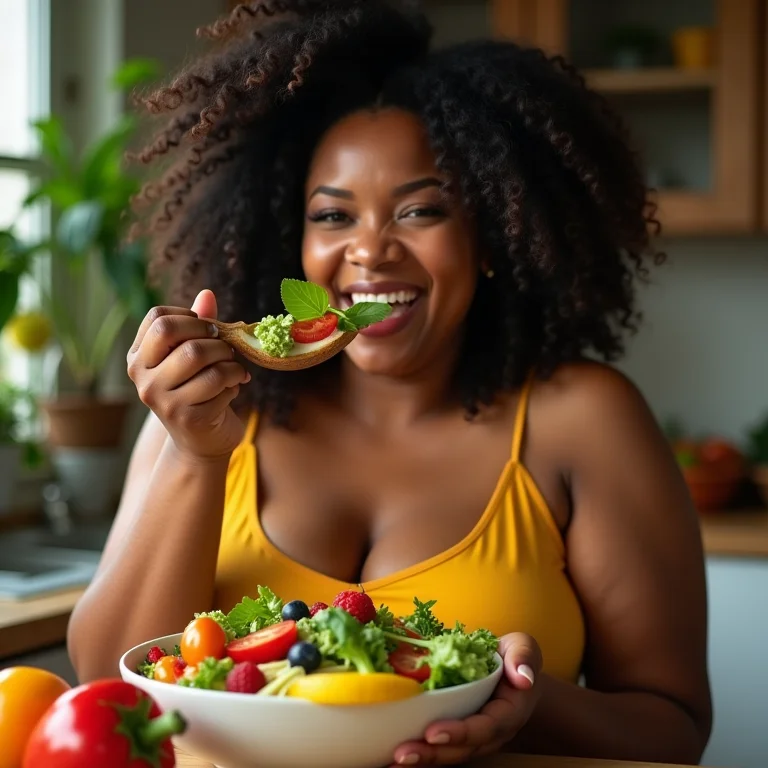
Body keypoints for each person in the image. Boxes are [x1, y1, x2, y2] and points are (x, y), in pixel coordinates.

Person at [67, 1, 712, 765]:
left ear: (493, 234)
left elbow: (672, 728)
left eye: (420, 209)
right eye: (333, 217)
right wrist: (194, 456)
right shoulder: (205, 410)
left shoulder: (582, 421)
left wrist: (516, 702)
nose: (370, 252)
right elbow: (107, 686)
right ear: (293, 241)